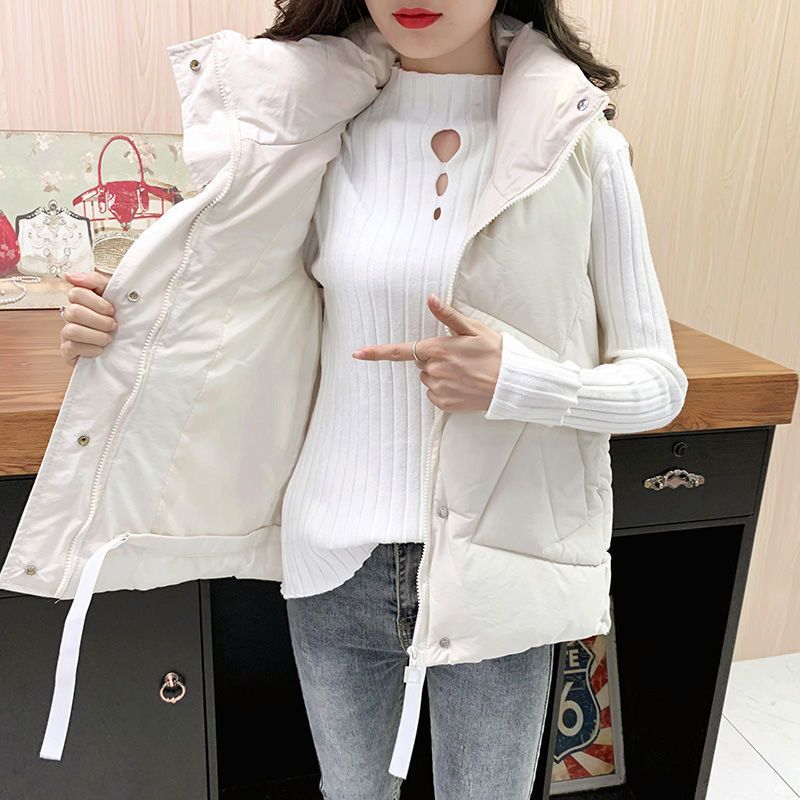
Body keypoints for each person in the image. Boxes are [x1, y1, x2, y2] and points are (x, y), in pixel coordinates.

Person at [56, 1, 687, 798]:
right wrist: (118, 320)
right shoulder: (311, 133)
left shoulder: (582, 146)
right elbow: (239, 317)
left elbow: (658, 384)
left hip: (501, 564)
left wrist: (516, 381)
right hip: (333, 559)